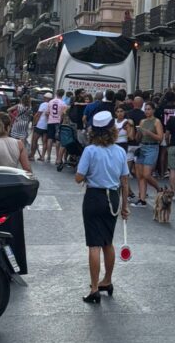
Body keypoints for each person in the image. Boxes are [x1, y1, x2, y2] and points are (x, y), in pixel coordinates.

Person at [75, 111, 130, 303]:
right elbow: (125, 181)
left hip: (94, 196)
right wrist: (125, 206)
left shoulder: (90, 151)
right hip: (113, 197)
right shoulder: (120, 151)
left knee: (94, 244)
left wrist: (89, 174)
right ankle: (107, 280)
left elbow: (78, 177)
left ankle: (94, 288)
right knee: (108, 241)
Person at [0, 111, 32, 274]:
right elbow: (27, 170)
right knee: (15, 232)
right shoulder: (19, 144)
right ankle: (16, 266)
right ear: (9, 126)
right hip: (16, 193)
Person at [133, 102, 163, 207]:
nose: (147, 111)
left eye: (149, 109)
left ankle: (159, 189)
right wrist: (138, 132)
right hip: (142, 146)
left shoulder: (157, 122)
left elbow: (160, 138)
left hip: (152, 147)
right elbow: (137, 138)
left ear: (153, 110)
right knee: (140, 175)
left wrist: (149, 133)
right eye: (145, 109)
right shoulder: (142, 121)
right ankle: (142, 199)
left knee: (146, 174)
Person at [46, 89, 68, 170]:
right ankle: (57, 158)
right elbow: (64, 114)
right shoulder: (63, 103)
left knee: (50, 139)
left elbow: (47, 113)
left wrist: (49, 118)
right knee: (58, 140)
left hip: (50, 121)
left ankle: (48, 156)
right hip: (58, 122)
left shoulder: (50, 102)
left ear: (56, 93)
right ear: (63, 94)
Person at [31, 92, 51, 160]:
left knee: (34, 140)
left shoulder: (43, 104)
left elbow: (38, 115)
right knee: (44, 141)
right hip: (47, 125)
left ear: (46, 98)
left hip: (40, 125)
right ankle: (42, 157)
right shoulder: (51, 104)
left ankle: (32, 155)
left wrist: (34, 123)